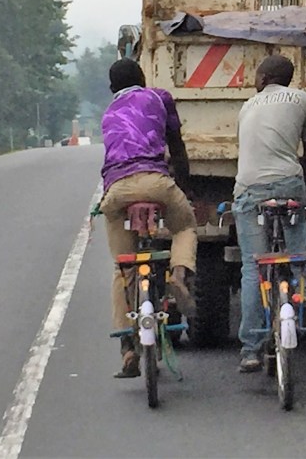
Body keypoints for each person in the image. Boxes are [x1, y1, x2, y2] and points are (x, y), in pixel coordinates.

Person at [99, 58, 198, 378]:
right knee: (185, 227)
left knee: (123, 265)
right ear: (143, 78)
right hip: (156, 182)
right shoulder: (159, 97)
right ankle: (178, 274)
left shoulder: (108, 113)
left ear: (112, 88)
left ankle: (127, 347)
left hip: (117, 189)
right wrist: (184, 188)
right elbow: (176, 147)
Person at [234, 55, 306, 373]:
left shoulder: (247, 106)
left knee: (252, 266)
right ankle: (305, 287)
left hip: (250, 188)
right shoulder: (305, 100)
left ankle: (250, 350)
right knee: (296, 242)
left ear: (263, 78)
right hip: (288, 183)